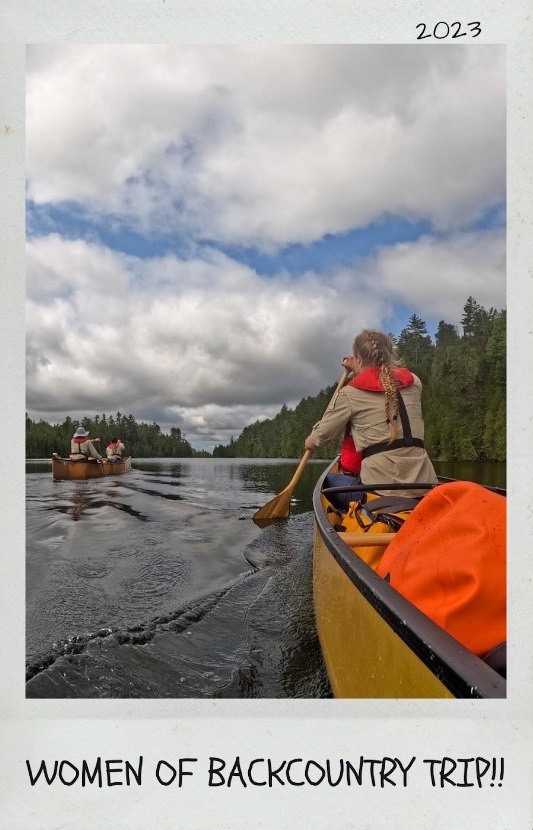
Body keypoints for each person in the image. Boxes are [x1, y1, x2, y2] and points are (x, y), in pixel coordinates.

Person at [305, 329, 437, 503]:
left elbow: (322, 436)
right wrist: (360, 367)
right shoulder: (414, 382)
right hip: (425, 485)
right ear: (389, 354)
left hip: (378, 492)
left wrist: (309, 441)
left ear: (358, 358)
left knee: (327, 481)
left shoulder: (350, 394)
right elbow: (386, 381)